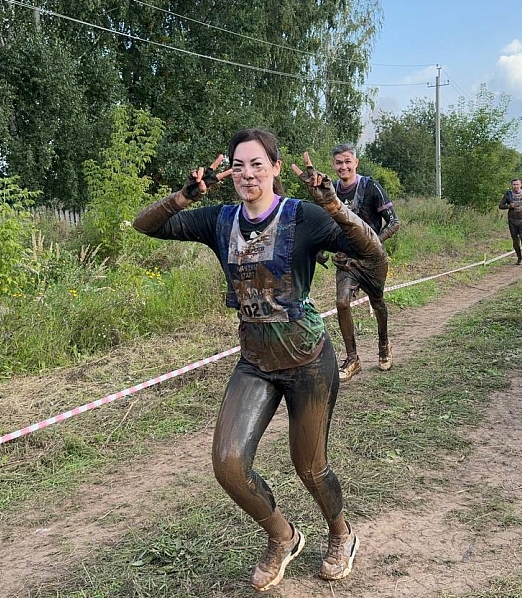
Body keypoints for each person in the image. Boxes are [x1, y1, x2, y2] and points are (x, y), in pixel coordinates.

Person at [133, 128, 385, 591]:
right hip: (255, 361)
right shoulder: (219, 220)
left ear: (273, 167)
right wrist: (184, 196)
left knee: (309, 466)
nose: (247, 174)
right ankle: (283, 536)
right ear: (230, 173)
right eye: (239, 165)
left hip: (308, 361)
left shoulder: (303, 216)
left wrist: (334, 206)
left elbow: (373, 251)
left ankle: (340, 532)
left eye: (257, 164)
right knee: (228, 462)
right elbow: (144, 225)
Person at [327, 143, 400, 381]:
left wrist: (374, 244)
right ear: (333, 165)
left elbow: (394, 222)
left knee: (378, 303)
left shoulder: (370, 187)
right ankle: (352, 359)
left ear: (356, 162)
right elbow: (326, 225)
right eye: (339, 162)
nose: (343, 166)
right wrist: (319, 249)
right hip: (347, 262)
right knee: (342, 303)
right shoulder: (332, 191)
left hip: (373, 261)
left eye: (348, 161)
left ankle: (383, 345)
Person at [498, 177, 522, 264]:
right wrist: (509, 206)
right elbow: (500, 205)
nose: (516, 186)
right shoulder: (508, 194)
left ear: (520, 185)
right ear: (511, 185)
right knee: (515, 240)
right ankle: (519, 258)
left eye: (517, 184)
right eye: (514, 184)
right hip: (512, 220)